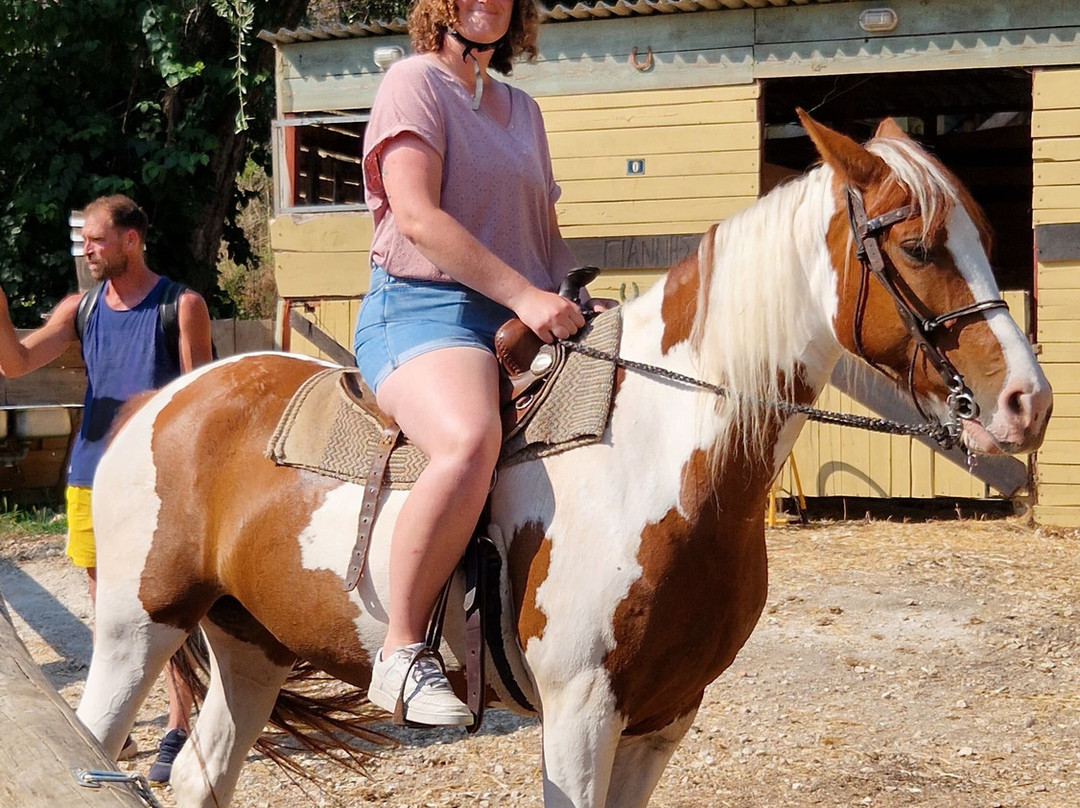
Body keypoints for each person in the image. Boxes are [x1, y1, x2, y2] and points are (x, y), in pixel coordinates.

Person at [355, 0, 614, 726]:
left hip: (519, 314)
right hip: (422, 309)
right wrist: (525, 295)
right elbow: (416, 217)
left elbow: (547, 237)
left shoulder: (523, 109)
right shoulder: (413, 83)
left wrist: (577, 298)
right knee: (470, 438)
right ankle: (402, 653)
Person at [0, 194, 214, 780]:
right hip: (90, 477)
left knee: (170, 610)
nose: (87, 250)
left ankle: (177, 725)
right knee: (109, 613)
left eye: (96, 239)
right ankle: (114, 730)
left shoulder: (182, 305)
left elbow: (202, 402)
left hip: (158, 483)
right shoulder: (82, 308)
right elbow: (15, 363)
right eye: (85, 241)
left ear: (130, 240)